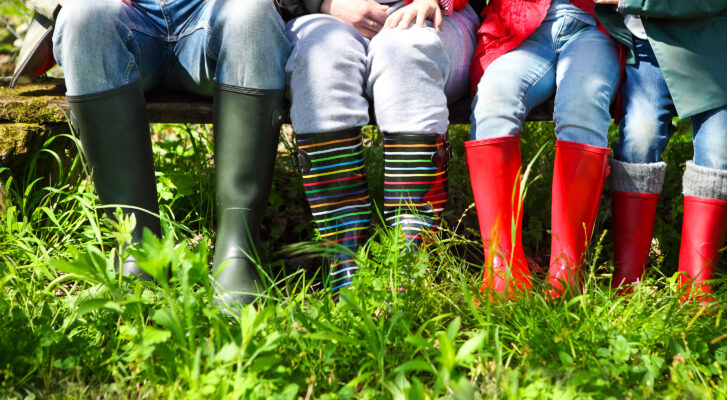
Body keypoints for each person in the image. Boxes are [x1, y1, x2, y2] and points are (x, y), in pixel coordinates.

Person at [21, 0, 291, 306]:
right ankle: (138, 251)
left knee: (253, 13)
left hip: (214, 19)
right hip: (120, 20)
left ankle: (238, 253)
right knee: (84, 16)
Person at [278, 0, 479, 292]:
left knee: (409, 49)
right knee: (320, 59)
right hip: (323, 17)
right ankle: (345, 266)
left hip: (436, 20)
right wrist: (323, 3)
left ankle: (412, 265)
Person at [593, 0, 727, 303]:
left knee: (717, 146)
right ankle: (627, 281)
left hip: (718, 47)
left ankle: (696, 288)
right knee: (640, 135)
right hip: (648, 49)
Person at [464, 0, 620, 299]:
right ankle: (503, 271)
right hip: (522, 24)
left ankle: (567, 272)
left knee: (582, 104)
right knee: (494, 100)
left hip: (598, 25)